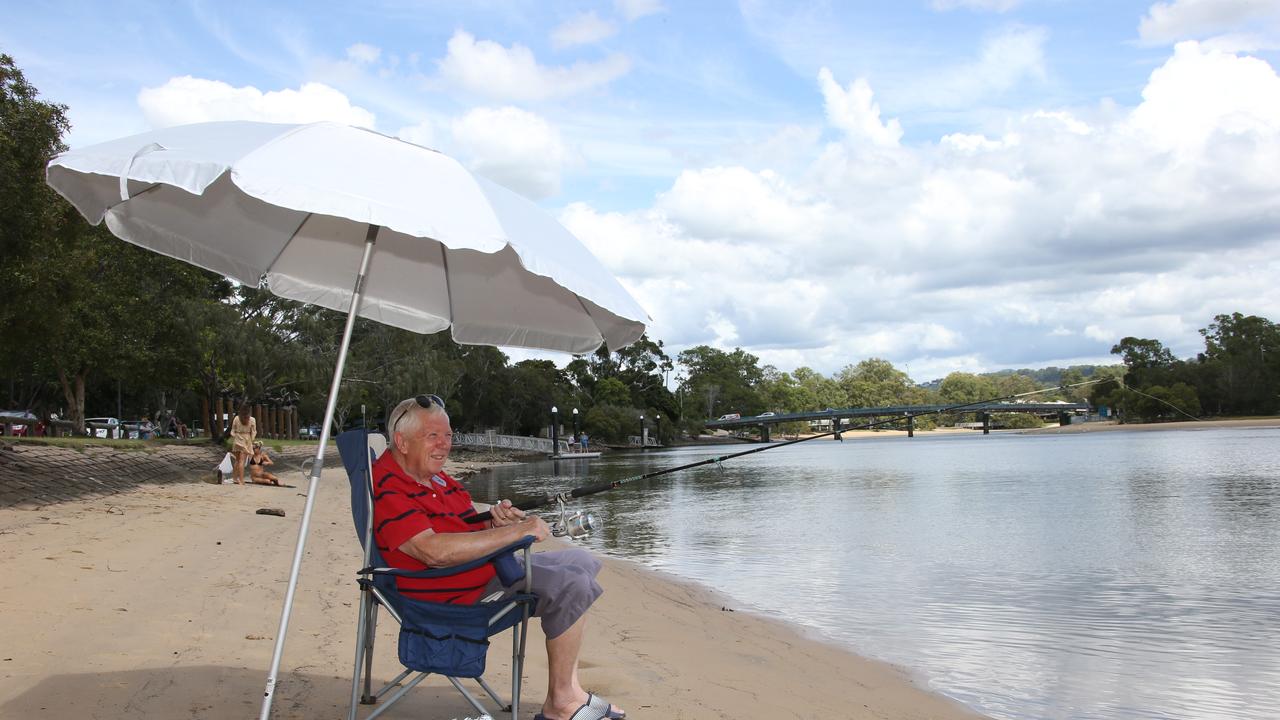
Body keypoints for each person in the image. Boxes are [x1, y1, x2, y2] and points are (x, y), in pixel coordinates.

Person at [372, 395, 625, 720]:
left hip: (476, 571)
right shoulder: (391, 487)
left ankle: (571, 689)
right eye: (432, 436)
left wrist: (494, 521)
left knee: (581, 562)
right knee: (571, 583)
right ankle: (560, 703)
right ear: (401, 442)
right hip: (447, 594)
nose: (444, 445)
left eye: (448, 435)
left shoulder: (433, 477)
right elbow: (432, 552)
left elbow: (462, 524)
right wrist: (515, 533)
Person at [229, 404, 257, 486]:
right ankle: (241, 480)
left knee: (238, 460)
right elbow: (254, 432)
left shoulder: (236, 418)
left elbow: (232, 431)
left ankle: (235, 478)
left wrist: (236, 437)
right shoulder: (252, 419)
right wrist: (251, 440)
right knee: (242, 460)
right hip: (246, 438)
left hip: (238, 439)